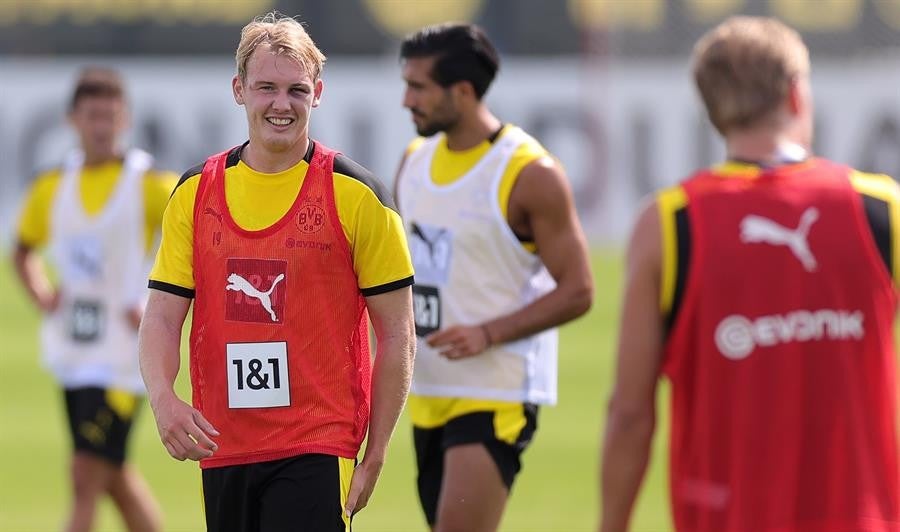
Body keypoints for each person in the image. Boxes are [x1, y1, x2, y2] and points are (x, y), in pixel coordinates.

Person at [600, 16, 900, 532]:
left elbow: (630, 413)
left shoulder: (669, 223)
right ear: (797, 95)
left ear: (712, 110)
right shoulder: (880, 208)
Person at [138, 11, 416, 532]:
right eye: (266, 87)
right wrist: (163, 398)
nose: (281, 104)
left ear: (318, 94)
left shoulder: (359, 195)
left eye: (296, 90)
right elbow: (161, 316)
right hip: (224, 447)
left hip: (318, 443)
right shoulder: (195, 192)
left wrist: (376, 449)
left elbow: (397, 333)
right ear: (238, 89)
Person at [395, 23, 594, 532]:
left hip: (496, 390)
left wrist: (488, 333)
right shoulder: (413, 162)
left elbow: (578, 290)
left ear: (462, 92)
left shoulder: (528, 173)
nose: (405, 100)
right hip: (429, 390)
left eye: (419, 87)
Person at [12, 67, 170, 532]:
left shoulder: (150, 186)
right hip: (75, 352)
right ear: (72, 120)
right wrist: (42, 293)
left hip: (123, 357)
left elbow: (196, 245)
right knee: (111, 475)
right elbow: (22, 250)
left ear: (125, 120)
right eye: (91, 115)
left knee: (84, 473)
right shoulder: (51, 187)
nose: (100, 126)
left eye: (109, 115)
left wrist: (155, 301)